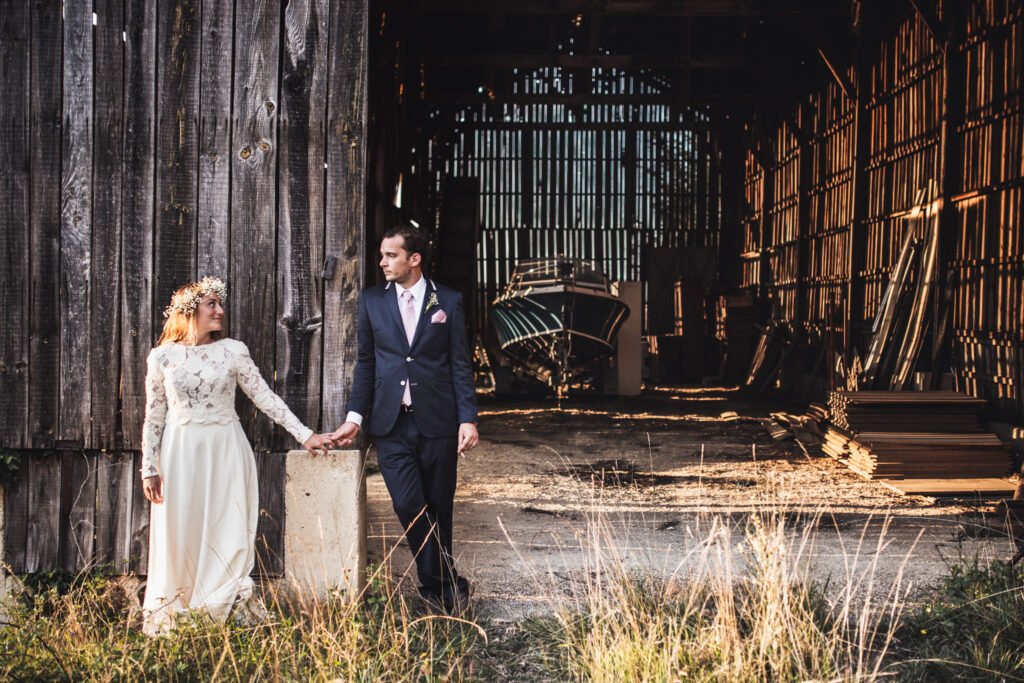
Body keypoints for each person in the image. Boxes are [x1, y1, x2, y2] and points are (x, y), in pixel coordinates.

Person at [140, 277, 332, 635]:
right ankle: (178, 608)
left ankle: (221, 606)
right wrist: (148, 466)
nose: (220, 311)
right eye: (212, 304)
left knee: (226, 525)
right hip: (179, 452)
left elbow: (265, 398)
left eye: (220, 304)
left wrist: (304, 435)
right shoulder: (162, 357)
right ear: (189, 310)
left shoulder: (233, 350)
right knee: (180, 527)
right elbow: (154, 413)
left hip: (226, 448)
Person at [328, 226, 479, 614]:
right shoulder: (372, 301)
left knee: (438, 507)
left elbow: (459, 364)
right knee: (409, 504)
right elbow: (366, 362)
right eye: (381, 255)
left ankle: (436, 593)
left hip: (438, 421)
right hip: (390, 423)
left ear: (414, 259)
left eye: (390, 255)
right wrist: (355, 417)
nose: (381, 262)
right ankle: (448, 582)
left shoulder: (448, 300)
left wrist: (468, 418)